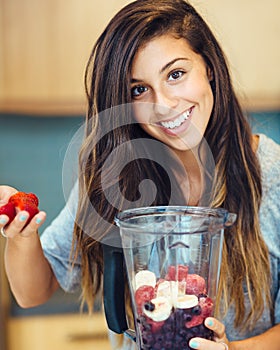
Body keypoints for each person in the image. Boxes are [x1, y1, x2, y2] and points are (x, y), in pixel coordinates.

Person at [0, 0, 279, 349]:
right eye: (139, 90)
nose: (162, 104)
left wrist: (233, 349)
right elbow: (32, 293)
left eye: (175, 74)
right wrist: (21, 236)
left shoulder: (273, 174)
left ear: (208, 67)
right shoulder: (114, 174)